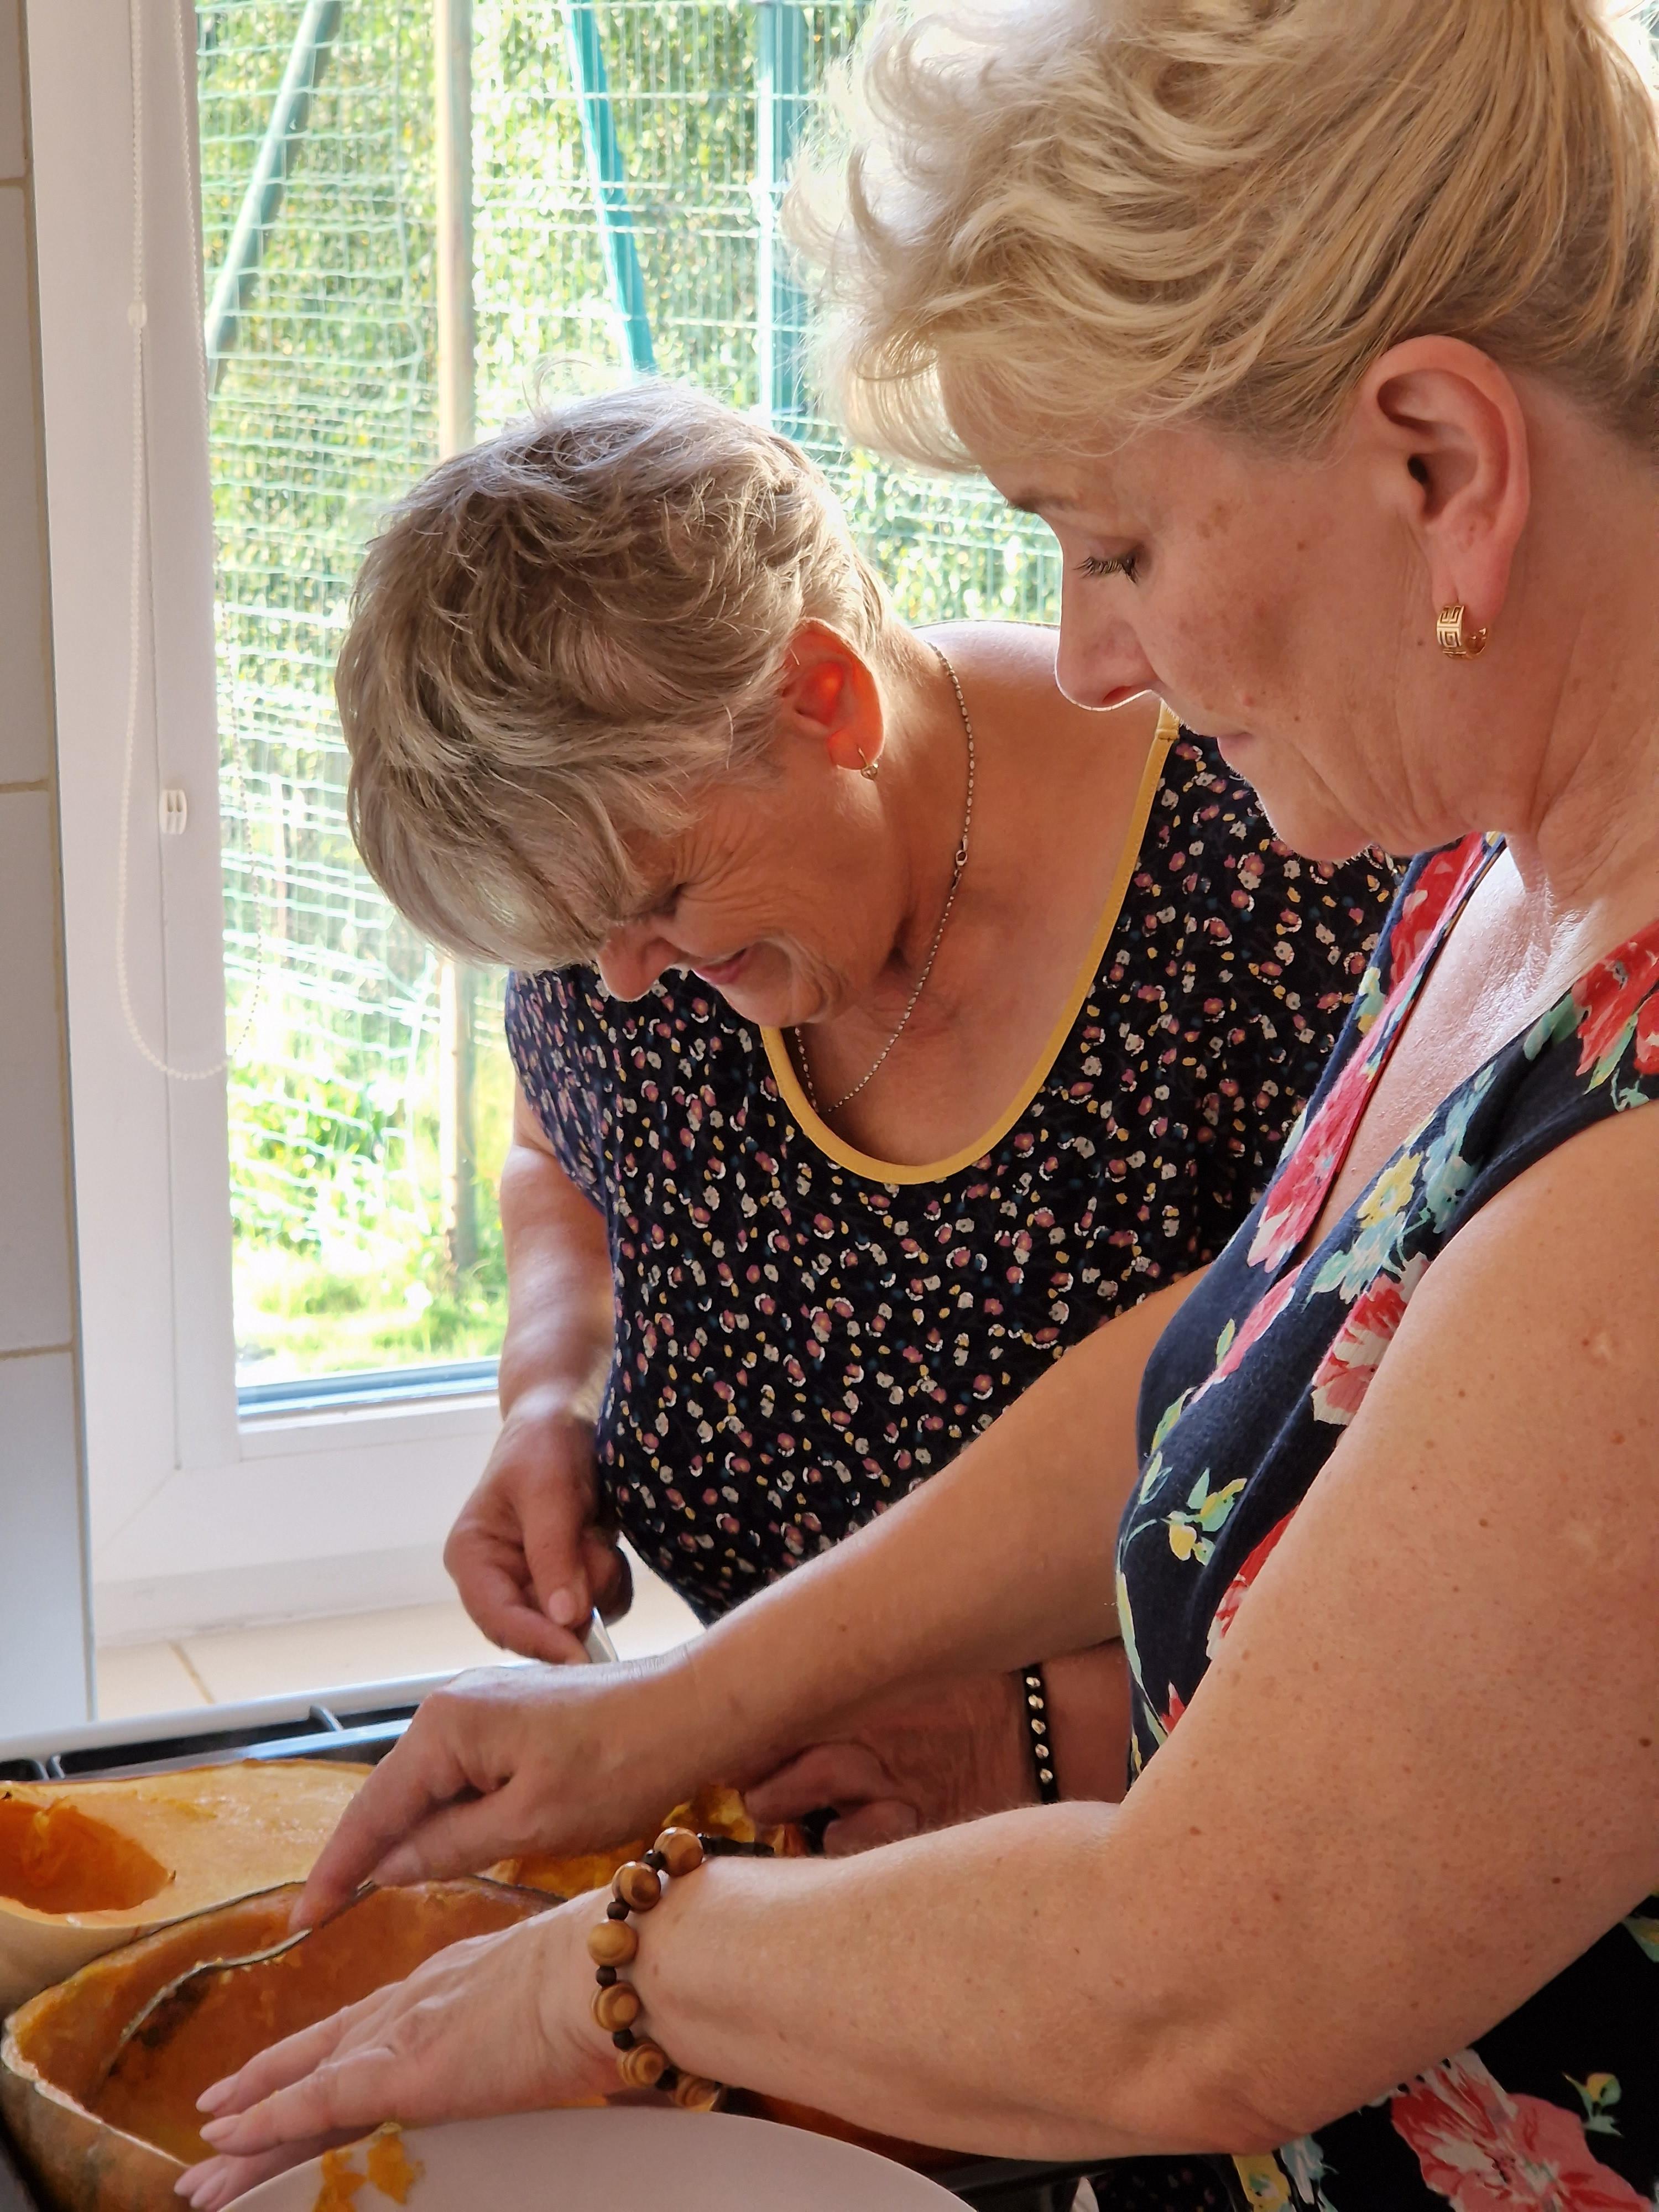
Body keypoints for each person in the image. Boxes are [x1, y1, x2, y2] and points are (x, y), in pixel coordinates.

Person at [180, 2, 1659, 2208]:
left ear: (1435, 462)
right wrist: (673, 1715)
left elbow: (1200, 1978)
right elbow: (1204, 1374)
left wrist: (621, 1972)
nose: (1081, 657)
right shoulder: (1489, 869)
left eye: (1118, 544)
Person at [337, 384, 1390, 1841]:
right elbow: (554, 1158)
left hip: (1201, 1884)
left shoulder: (1272, 869)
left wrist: (1025, 1735)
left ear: (822, 697)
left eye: (658, 904)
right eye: (580, 946)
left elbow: (1380, 1459)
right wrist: (547, 1400)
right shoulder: (620, 955)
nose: (625, 984)